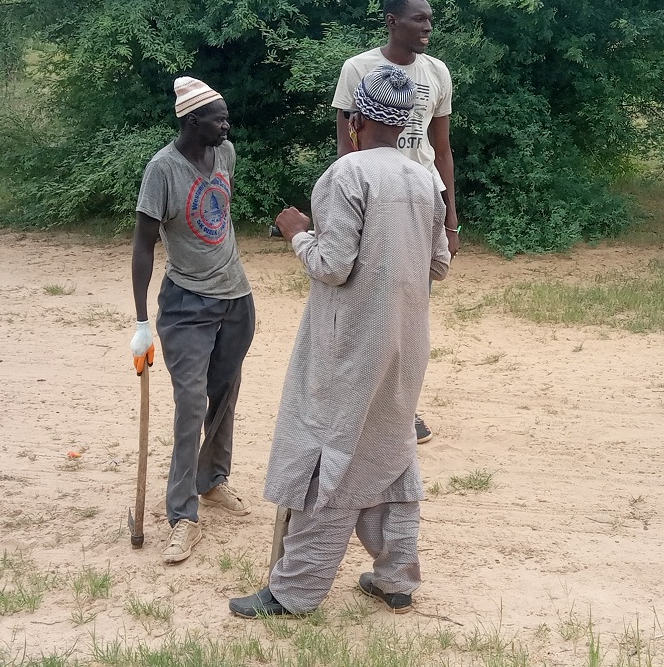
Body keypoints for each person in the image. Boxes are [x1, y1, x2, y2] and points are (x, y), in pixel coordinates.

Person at [228, 64, 450, 618]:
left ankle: (295, 591)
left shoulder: (346, 174)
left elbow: (331, 265)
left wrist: (296, 233)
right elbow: (439, 264)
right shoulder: (425, 180)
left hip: (348, 344)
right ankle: (396, 578)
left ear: (356, 120)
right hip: (406, 342)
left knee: (332, 453)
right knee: (391, 447)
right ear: (405, 124)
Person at [130, 76, 256, 563]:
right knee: (189, 402)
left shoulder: (225, 154)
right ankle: (182, 515)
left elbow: (219, 219)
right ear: (192, 120)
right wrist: (142, 323)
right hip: (186, 304)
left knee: (225, 393)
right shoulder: (162, 170)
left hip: (236, 298)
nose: (227, 126)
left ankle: (212, 480)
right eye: (219, 119)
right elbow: (143, 245)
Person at [332, 0, 457, 444]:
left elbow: (441, 150)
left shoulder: (437, 72)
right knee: (364, 306)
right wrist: (347, 207)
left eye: (430, 19)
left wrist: (451, 221)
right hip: (373, 201)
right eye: (419, 19)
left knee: (411, 309)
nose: (428, 27)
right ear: (391, 21)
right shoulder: (358, 69)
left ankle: (404, 410)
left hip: (421, 201)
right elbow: (347, 144)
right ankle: (359, 405)